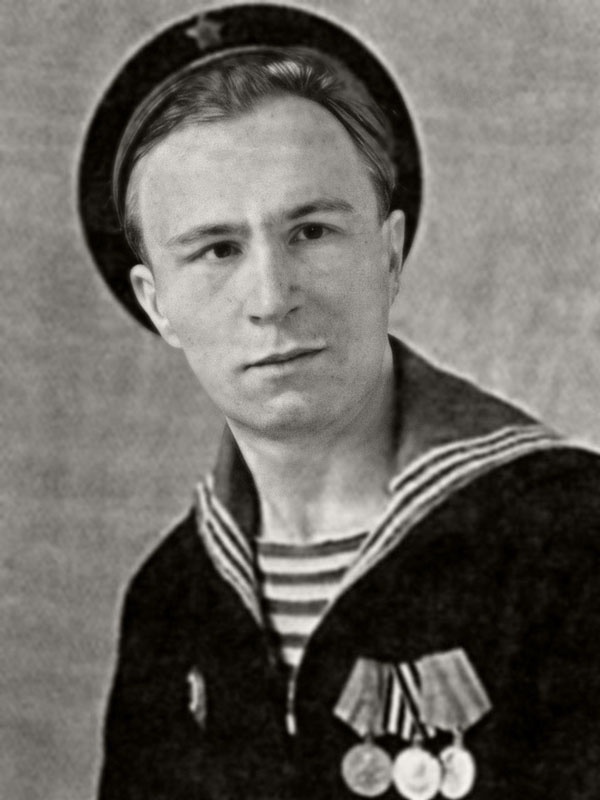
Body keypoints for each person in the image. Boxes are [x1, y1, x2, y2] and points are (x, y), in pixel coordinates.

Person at [79, 5, 600, 799]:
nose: (272, 298)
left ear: (388, 253)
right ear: (158, 306)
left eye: (312, 232)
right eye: (217, 250)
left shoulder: (567, 536)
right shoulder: (172, 598)